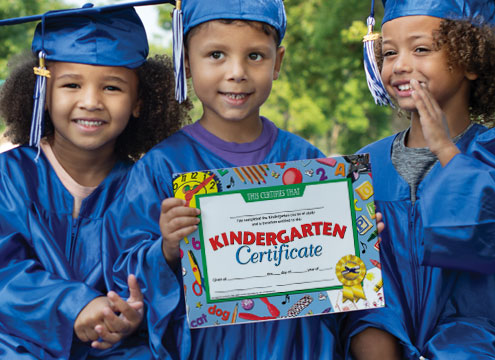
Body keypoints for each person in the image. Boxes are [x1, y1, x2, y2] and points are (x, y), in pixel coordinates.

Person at [102, 0, 346, 359]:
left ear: (277, 63)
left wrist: (354, 232)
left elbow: (337, 278)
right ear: (185, 60)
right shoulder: (162, 168)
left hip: (296, 346)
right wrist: (167, 249)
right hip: (204, 349)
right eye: (216, 54)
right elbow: (123, 275)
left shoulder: (306, 161)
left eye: (255, 57)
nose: (237, 72)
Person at [342, 0, 495, 359]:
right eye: (388, 53)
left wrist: (445, 149)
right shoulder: (363, 165)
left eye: (421, 49)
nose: (400, 65)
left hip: (473, 343)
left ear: (471, 59)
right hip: (382, 339)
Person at [0, 2, 191, 359]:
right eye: (71, 84)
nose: (90, 102)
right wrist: (75, 306)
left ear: (139, 101)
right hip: (17, 341)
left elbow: (155, 284)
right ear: (41, 92)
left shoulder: (148, 187)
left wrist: (131, 314)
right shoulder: (9, 177)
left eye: (112, 88)